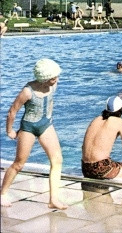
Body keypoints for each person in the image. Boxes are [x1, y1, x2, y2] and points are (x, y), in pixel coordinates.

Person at [1, 59, 68, 209]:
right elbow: (12, 112)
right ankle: (3, 193)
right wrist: (10, 131)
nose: (56, 80)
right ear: (44, 78)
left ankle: (53, 200)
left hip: (46, 125)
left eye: (56, 76)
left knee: (57, 160)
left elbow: (50, 99)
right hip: (29, 128)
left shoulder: (53, 85)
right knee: (19, 164)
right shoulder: (27, 91)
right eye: (53, 78)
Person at [81, 96, 122, 180]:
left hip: (85, 169)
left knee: (115, 163)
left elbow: (83, 147)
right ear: (121, 109)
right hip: (102, 170)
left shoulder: (96, 119)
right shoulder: (120, 122)